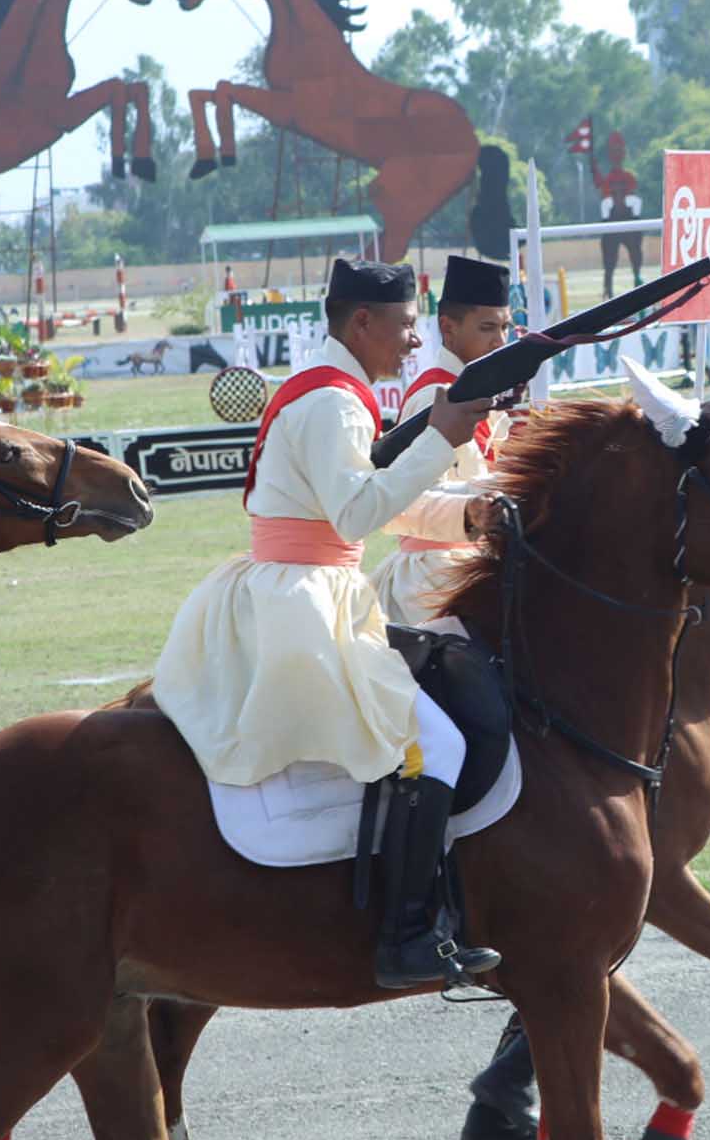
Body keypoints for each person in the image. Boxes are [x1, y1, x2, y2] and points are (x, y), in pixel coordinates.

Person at [151, 257, 507, 990]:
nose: (415, 344)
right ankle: (408, 937)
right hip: (306, 596)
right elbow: (357, 513)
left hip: (312, 585)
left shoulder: (333, 391)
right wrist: (439, 437)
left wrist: (467, 513)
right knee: (433, 745)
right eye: (408, 327)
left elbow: (383, 500)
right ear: (363, 322)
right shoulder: (336, 403)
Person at [374, 252, 517, 629]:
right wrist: (472, 507)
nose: (500, 341)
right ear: (449, 328)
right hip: (432, 575)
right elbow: (400, 501)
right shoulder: (432, 397)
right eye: (487, 328)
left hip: (476, 562)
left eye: (506, 327)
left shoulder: (483, 392)